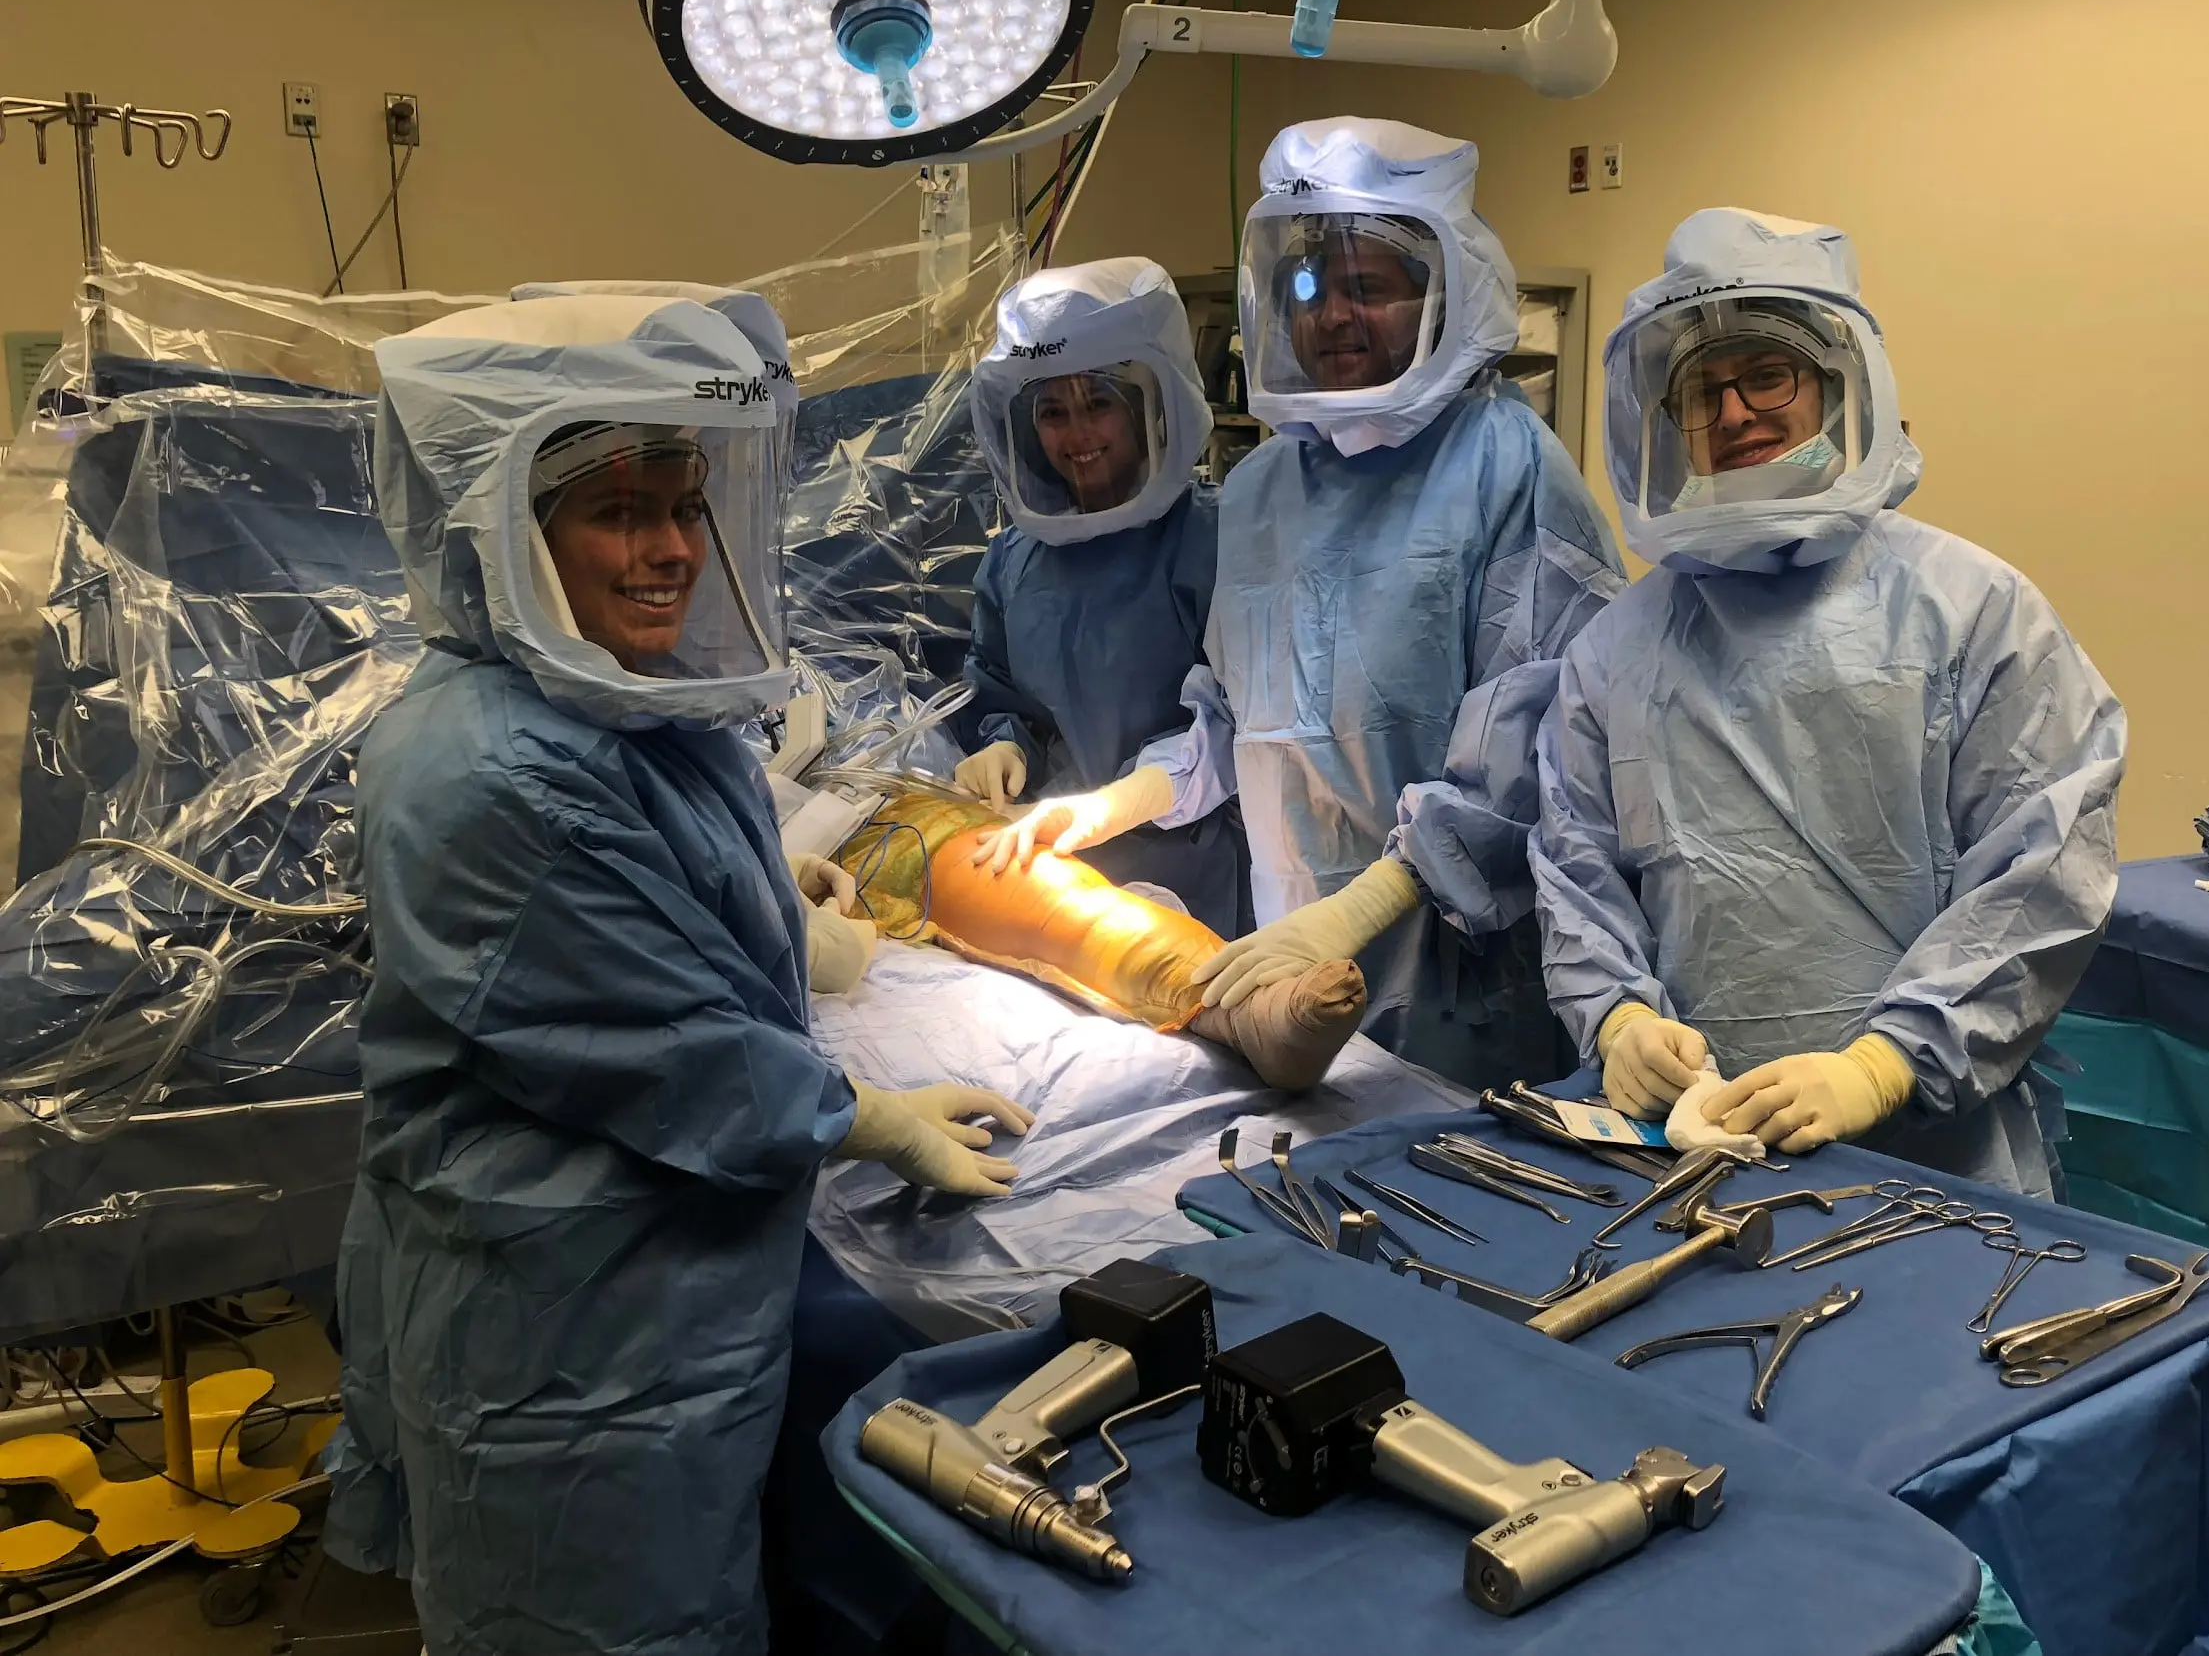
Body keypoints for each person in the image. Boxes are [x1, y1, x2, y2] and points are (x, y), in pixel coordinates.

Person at [321, 293, 1032, 1656]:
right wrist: (869, 1118)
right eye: (617, 512)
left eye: (687, 504)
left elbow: (689, 926)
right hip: (575, 1329)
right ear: (504, 528)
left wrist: (786, 907)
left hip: (645, 1282)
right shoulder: (496, 768)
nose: (670, 550)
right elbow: (666, 1044)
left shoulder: (624, 704)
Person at [980, 118, 1625, 1086]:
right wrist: (1111, 806)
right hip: (1290, 964)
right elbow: (1233, 717)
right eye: (1312, 288)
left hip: (1466, 985)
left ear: (1443, 292)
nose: (1335, 316)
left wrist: (1367, 904)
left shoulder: (1507, 464)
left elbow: (1543, 750)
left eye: (1372, 286)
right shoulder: (1260, 491)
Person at [1531, 208, 2125, 1195]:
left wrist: (1884, 1064)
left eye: (1768, 374)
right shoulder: (1613, 650)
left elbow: (2044, 866)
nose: (1734, 414)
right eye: (1702, 391)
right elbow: (1574, 867)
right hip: (1686, 1148)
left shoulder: (1972, 610)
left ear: (1839, 386)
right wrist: (1619, 1018)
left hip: (1932, 1161)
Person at [952, 258, 1252, 935]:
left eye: (1099, 404)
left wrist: (1133, 797)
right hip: (1054, 866)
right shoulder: (1015, 561)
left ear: (1150, 405)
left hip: (1198, 874)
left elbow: (1247, 720)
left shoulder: (1214, 541)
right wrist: (1006, 748)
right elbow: (1002, 695)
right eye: (1053, 412)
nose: (1077, 435)